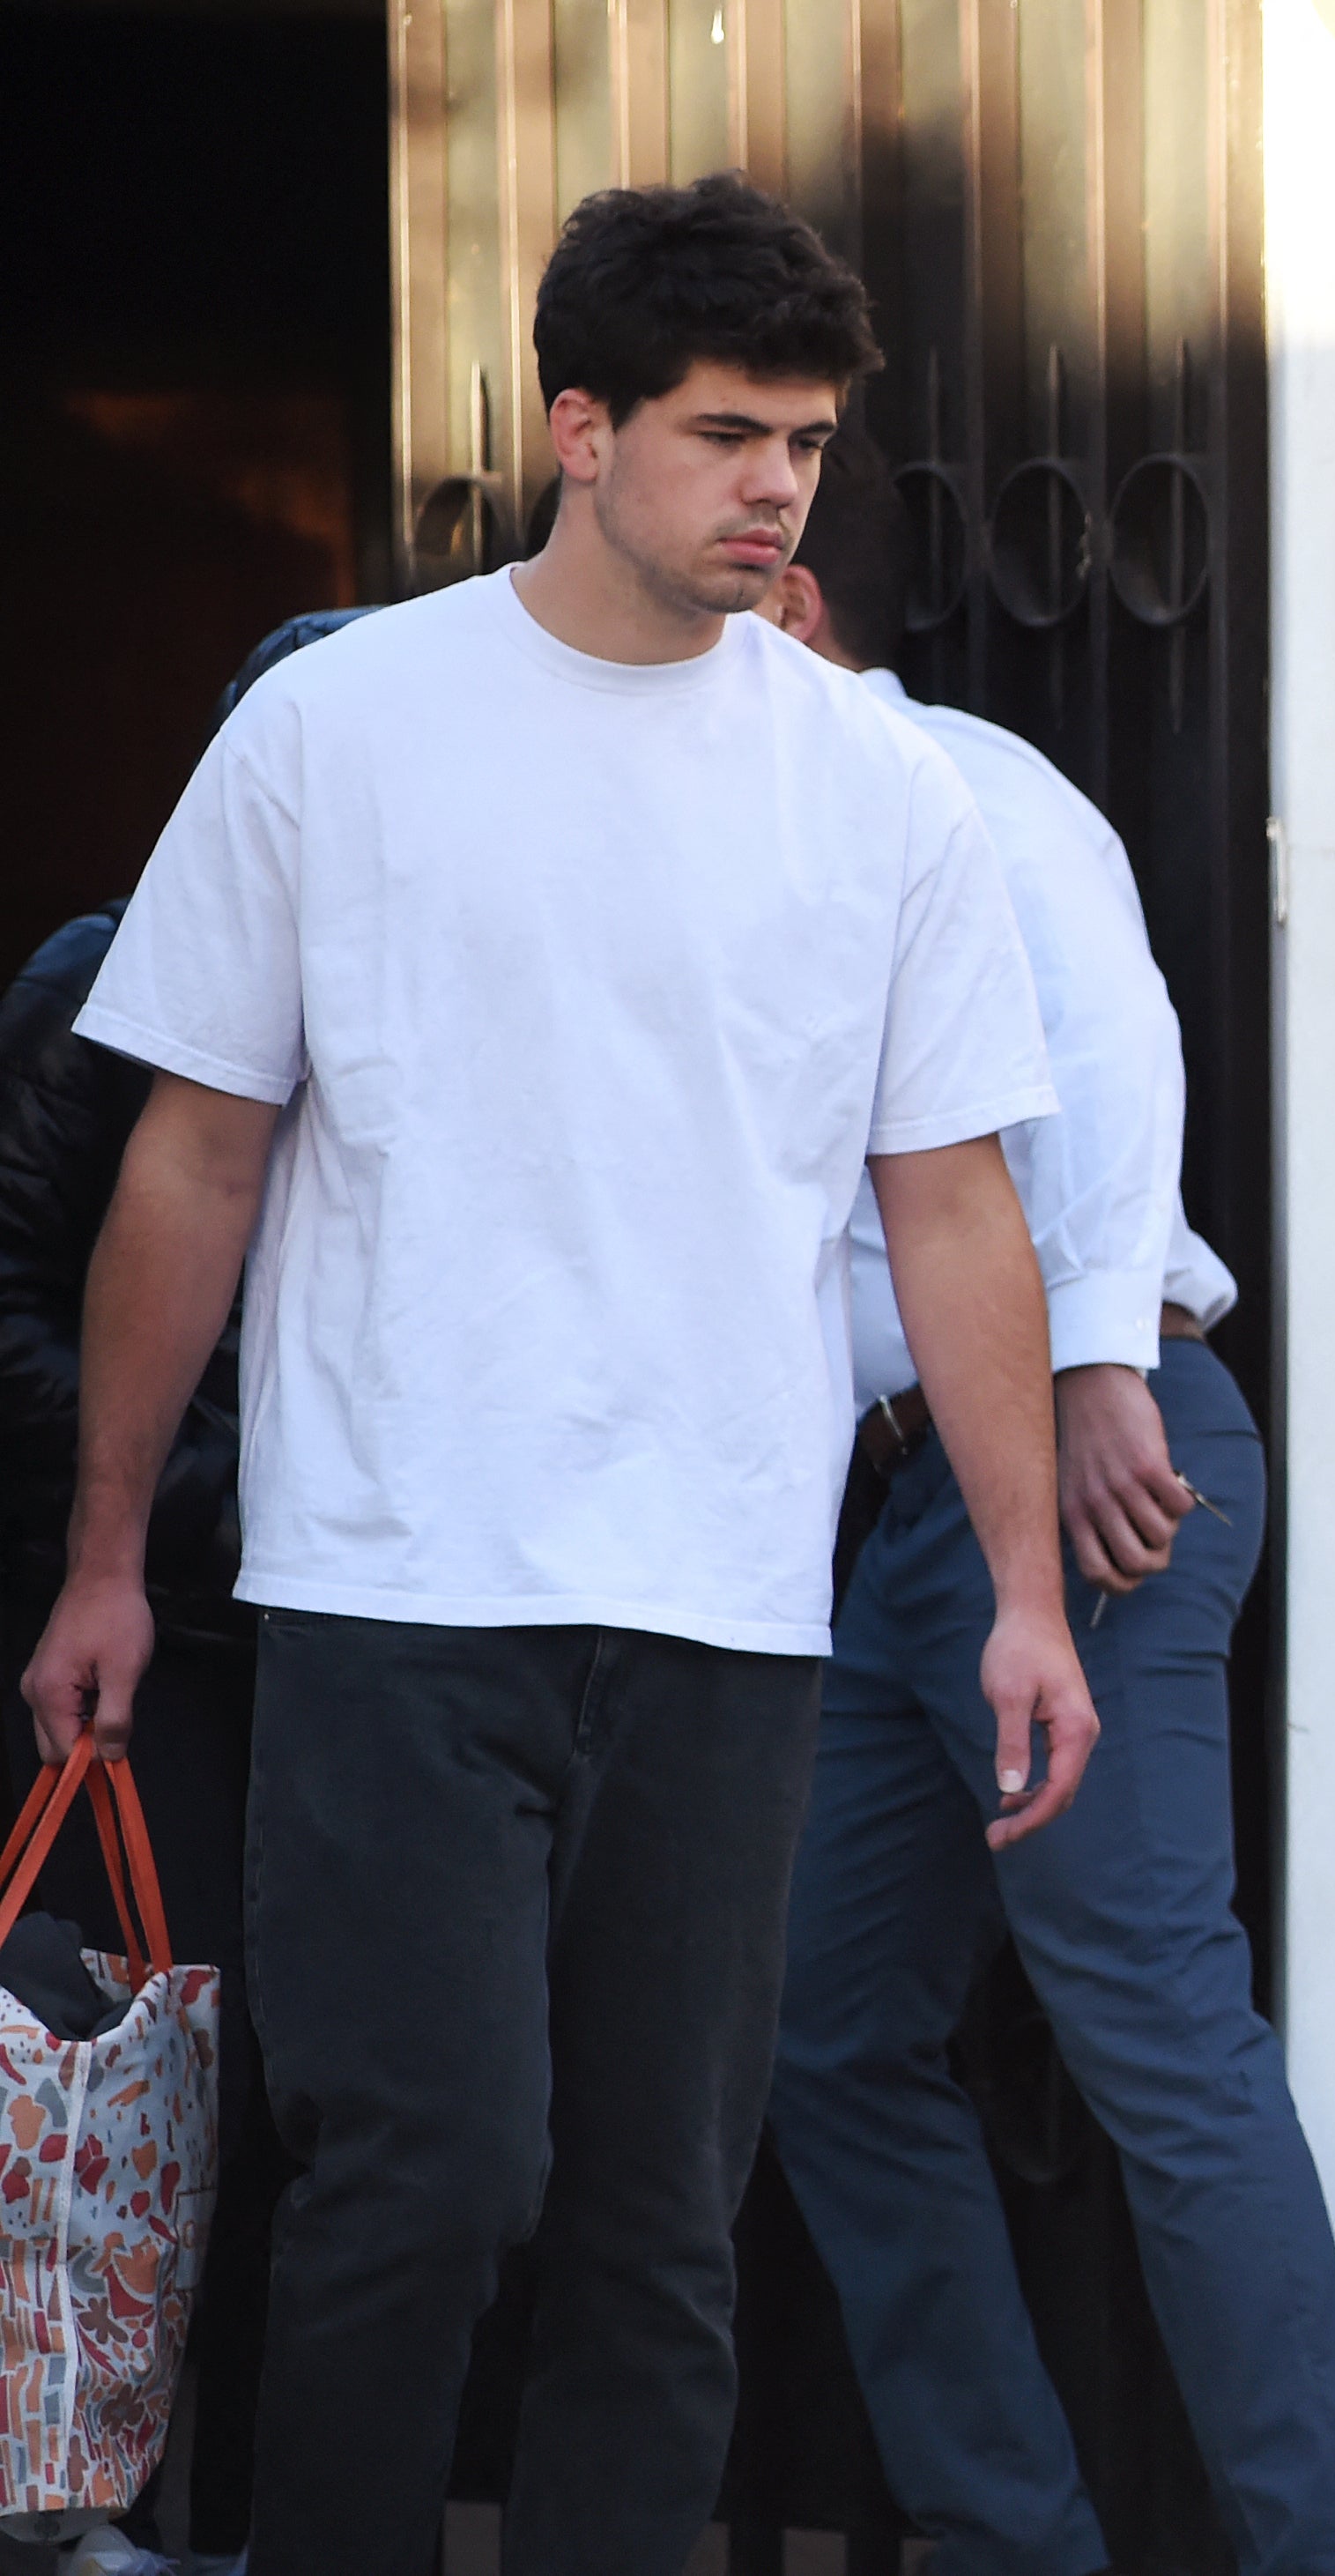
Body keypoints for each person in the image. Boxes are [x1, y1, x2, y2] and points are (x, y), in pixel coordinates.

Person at [20, 174, 1089, 2572]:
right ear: (575, 428)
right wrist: (106, 1543)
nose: (778, 488)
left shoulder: (883, 789)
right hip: (401, 1575)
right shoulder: (340, 729)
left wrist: (1023, 1584)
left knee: (661, 2228)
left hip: (727, 1593)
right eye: (729, 434)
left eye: (808, 441)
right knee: (427, 2174)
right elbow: (191, 1157)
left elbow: (955, 1211)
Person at [751, 438, 1335, 2576]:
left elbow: (1113, 1041)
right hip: (898, 1513)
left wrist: (1100, 1342)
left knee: (1153, 2038)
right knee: (823, 2026)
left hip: (1086, 1449)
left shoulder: (939, 773)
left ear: (795, 612)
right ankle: (1011, 2541)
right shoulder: (709, 834)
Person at [0, 608, 367, 2576]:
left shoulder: (414, 1002)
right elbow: (5, 1314)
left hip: (353, 1638)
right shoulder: (98, 980)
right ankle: (75, 2513)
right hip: (142, 1636)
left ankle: (231, 2524)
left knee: (300, 2096)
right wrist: (206, 1505)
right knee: (111, 2071)